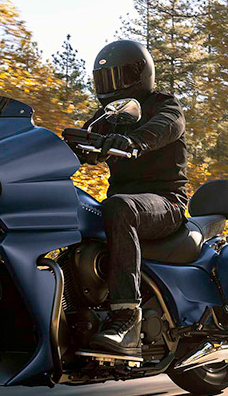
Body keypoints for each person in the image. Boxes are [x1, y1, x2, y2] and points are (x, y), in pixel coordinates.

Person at [74, 39, 188, 361]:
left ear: (138, 75)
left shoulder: (164, 105)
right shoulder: (107, 115)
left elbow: (165, 127)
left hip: (166, 203)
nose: (110, 86)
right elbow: (85, 138)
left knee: (119, 206)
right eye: (104, 79)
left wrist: (134, 141)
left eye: (116, 77)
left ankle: (126, 319)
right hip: (126, 205)